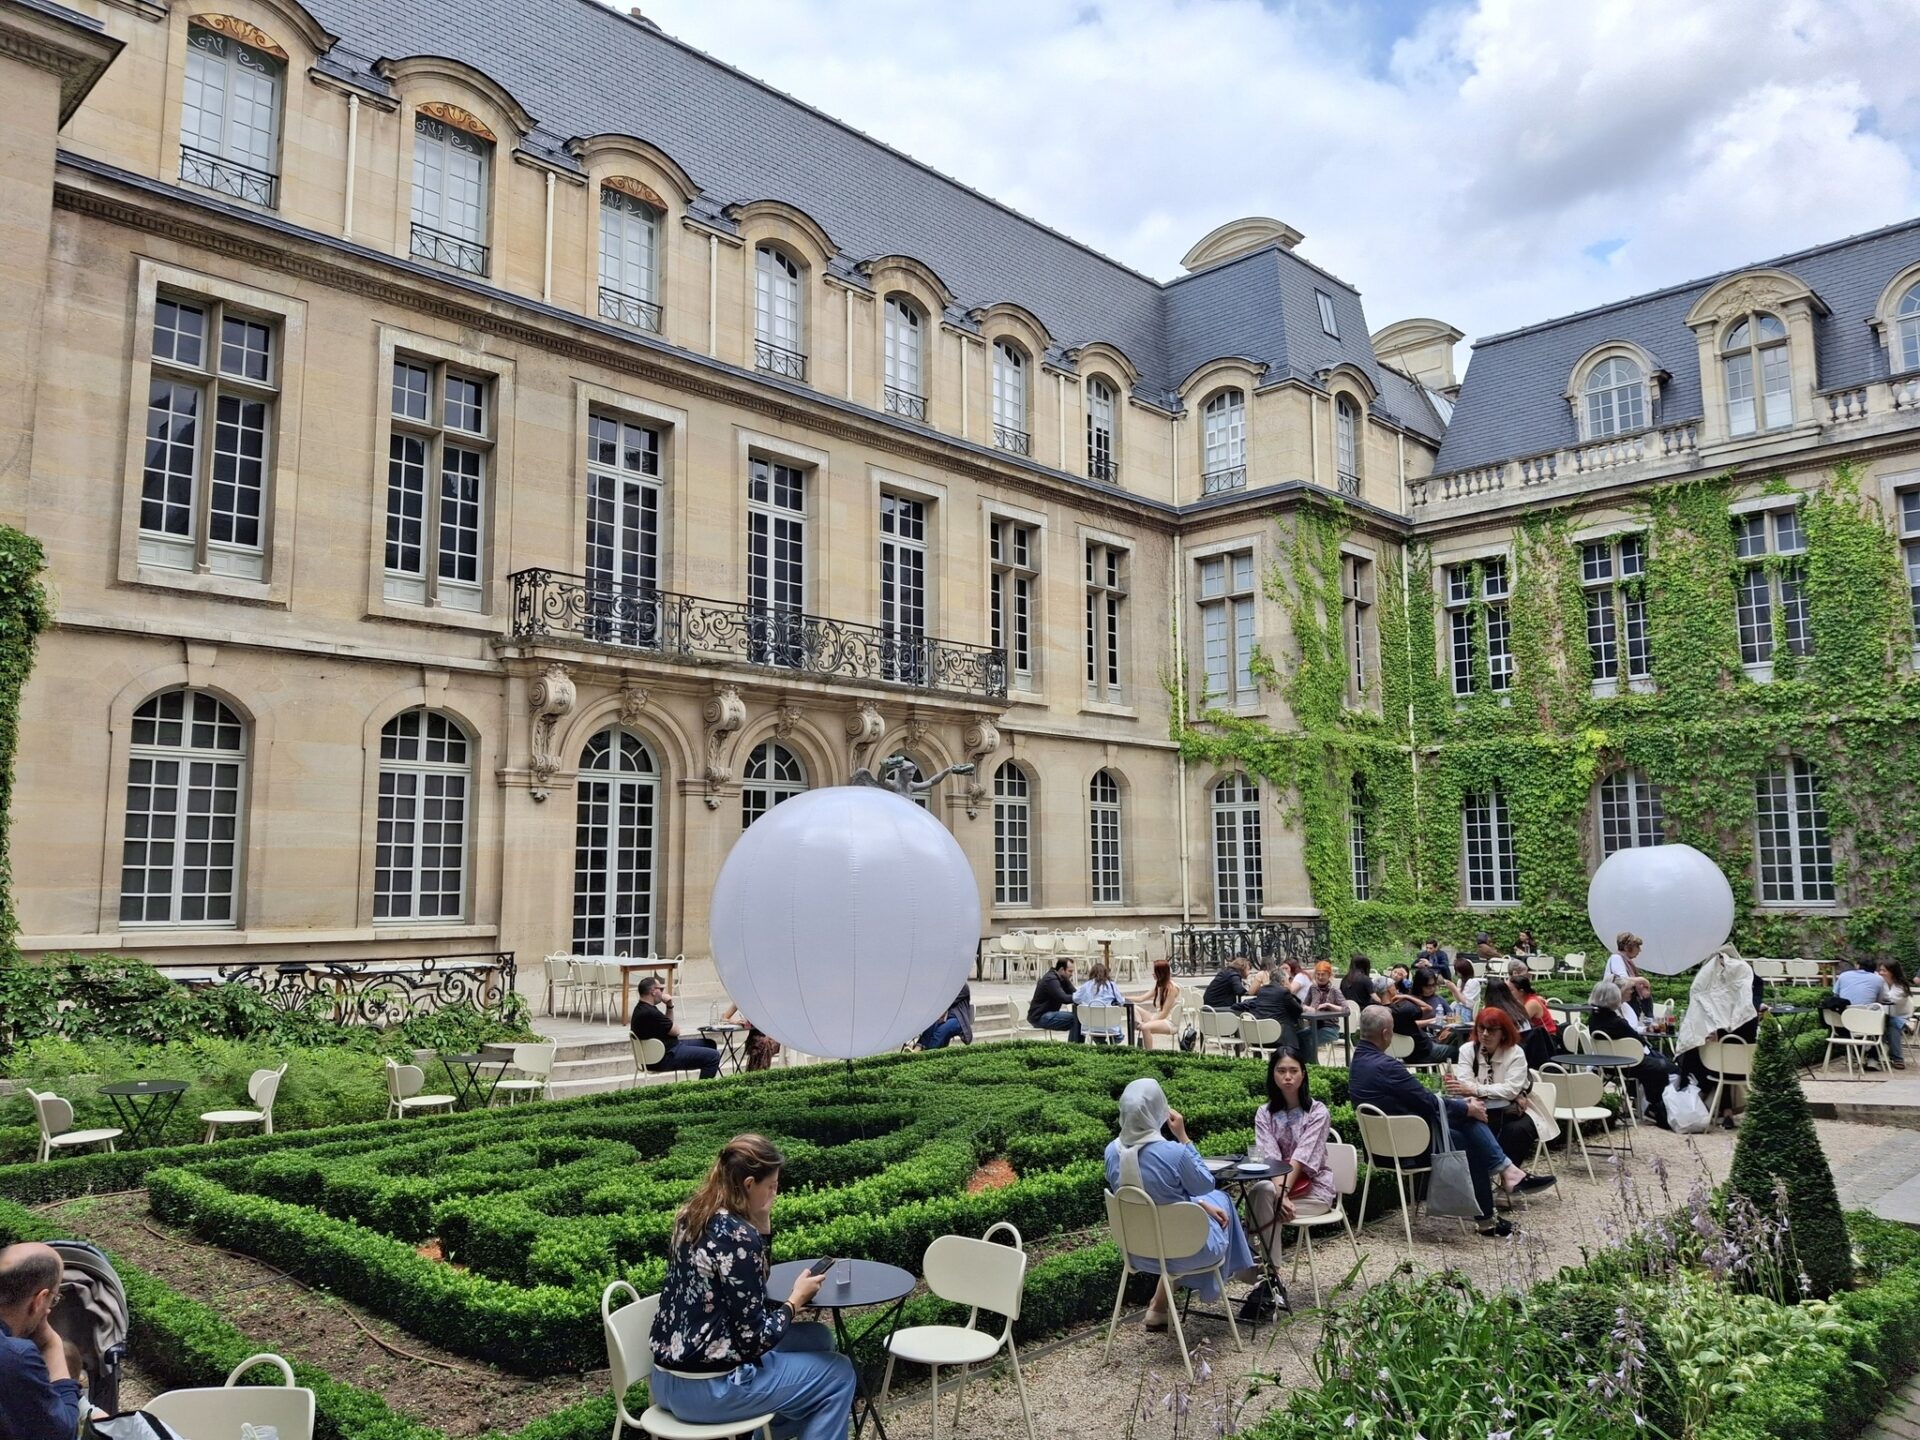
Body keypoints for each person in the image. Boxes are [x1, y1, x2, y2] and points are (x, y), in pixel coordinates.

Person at [648, 1136, 855, 1440]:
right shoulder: (738, 1235)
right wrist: (795, 1300)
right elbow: (754, 1340)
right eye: (771, 1185)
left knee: (819, 1339)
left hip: (665, 1380)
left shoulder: (690, 1214)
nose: (776, 1191)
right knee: (839, 1374)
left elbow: (753, 1283)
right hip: (709, 1390)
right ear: (748, 1184)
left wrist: (763, 1220)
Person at [1348, 1007, 1554, 1237]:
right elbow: (1426, 1101)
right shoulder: (1388, 1066)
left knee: (1465, 1120)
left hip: (1383, 1143)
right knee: (1469, 1139)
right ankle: (1493, 1206)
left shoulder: (1358, 1061)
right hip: (1407, 1146)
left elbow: (1422, 1100)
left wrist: (1463, 1105)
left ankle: (1505, 1175)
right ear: (1386, 1033)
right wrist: (1466, 1107)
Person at [1104, 1078, 1257, 1331]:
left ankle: (1159, 1305)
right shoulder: (1173, 1152)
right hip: (1185, 1251)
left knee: (1203, 1208)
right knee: (1222, 1200)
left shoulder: (1112, 1151)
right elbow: (1205, 1184)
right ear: (1158, 1110)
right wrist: (1183, 1136)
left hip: (1136, 1251)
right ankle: (1240, 1267)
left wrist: (1198, 1203)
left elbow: (1148, 1197)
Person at [1244, 1049, 1335, 1310]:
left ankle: (1266, 1280)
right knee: (1261, 1191)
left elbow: (1301, 1158)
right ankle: (1271, 1280)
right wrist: (1280, 1193)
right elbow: (1270, 1157)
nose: (1287, 1077)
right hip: (1277, 1189)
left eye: (1293, 1071)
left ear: (1303, 1074)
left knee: (1261, 1204)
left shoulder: (1317, 1112)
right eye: (1281, 1071)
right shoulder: (1264, 1113)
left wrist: (1281, 1195)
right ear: (1273, 1075)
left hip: (1312, 1191)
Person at [1446, 1008, 1560, 1174]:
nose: (1485, 1034)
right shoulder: (1467, 1050)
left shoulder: (1515, 1053)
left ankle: (1507, 1175)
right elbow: (1464, 1084)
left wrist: (1475, 1088)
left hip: (1515, 1109)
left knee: (1517, 1130)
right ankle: (1487, 1177)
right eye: (1481, 1028)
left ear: (1504, 1033)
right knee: (1463, 1128)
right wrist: (1479, 1090)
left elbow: (1511, 1090)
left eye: (1491, 1030)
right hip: (1479, 1108)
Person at [0, 1243, 81, 1440]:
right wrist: (52, 1343)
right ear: (39, 1300)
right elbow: (62, 1433)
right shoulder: (15, 1356)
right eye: (53, 1299)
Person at [1674, 947, 1760, 1125]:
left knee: (1705, 1054)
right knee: (1725, 1053)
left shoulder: (1713, 1000)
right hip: (1745, 1065)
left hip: (1716, 1067)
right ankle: (1727, 1110)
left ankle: (1701, 1099)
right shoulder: (1750, 1000)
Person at [1588, 979, 1673, 1126]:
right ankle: (1657, 1107)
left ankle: (1650, 1106)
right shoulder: (1618, 1022)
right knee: (1661, 1066)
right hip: (1626, 1064)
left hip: (1604, 1064)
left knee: (1654, 1065)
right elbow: (1639, 1041)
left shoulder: (1593, 1019)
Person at [630, 976, 722, 1079]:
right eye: (661, 989)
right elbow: (676, 1031)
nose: (662, 992)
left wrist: (669, 1006)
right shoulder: (650, 1013)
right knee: (713, 1057)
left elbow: (668, 1026)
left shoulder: (641, 1008)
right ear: (653, 991)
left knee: (709, 1044)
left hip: (664, 1051)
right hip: (663, 1058)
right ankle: (702, 1092)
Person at [1390, 968, 1459, 1064]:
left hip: (1438, 1037)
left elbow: (1454, 1018)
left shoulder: (1438, 999)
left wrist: (1446, 1029)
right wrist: (1433, 1020)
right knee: (1457, 1052)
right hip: (1421, 1044)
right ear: (1420, 985)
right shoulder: (1409, 1002)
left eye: (1434, 985)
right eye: (1428, 986)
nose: (1431, 989)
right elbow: (1409, 1025)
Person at [1243, 967, 1311, 1059]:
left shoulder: (1262, 991)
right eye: (1288, 980)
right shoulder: (1284, 992)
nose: (1289, 983)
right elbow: (1298, 1010)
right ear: (1283, 982)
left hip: (1261, 1036)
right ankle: (1305, 1064)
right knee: (1301, 1035)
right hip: (1280, 1038)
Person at [1127, 961, 1181, 1050]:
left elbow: (1164, 1013)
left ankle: (1149, 1053)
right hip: (1157, 1016)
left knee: (1145, 1027)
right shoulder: (1159, 985)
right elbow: (1142, 998)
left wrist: (1148, 1023)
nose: (1152, 974)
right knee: (1133, 1007)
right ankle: (1139, 1023)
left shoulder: (1172, 988)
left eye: (1155, 971)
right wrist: (1123, 998)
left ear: (1161, 973)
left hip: (1169, 1021)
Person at [1073, 962, 1127, 1043]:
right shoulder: (1111, 985)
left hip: (1090, 1025)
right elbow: (1121, 1001)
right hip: (1109, 1025)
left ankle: (1100, 1043)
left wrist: (1085, 1001)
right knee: (1117, 1036)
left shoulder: (1086, 985)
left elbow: (1075, 998)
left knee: (1096, 1031)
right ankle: (1109, 1046)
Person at [1028, 956, 1079, 1039]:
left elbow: (1075, 993)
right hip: (1039, 1017)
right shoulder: (1050, 979)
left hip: (1048, 1015)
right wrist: (1080, 997)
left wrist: (1083, 997)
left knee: (1080, 1018)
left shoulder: (1063, 978)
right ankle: (1076, 1047)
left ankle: (1075, 1045)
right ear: (1062, 970)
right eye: (1070, 971)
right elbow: (1063, 998)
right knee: (1076, 1019)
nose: (1072, 974)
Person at [720, 1001, 780, 1071]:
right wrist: (734, 1021)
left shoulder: (766, 999)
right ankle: (757, 1073)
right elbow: (723, 1018)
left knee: (765, 1043)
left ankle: (757, 1073)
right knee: (762, 1043)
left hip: (771, 1035)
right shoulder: (741, 1000)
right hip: (756, 1036)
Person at [1300, 962, 1345, 1052]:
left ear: (1329, 975)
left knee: (1309, 1041)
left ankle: (1313, 1064)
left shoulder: (1334, 990)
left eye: (1323, 975)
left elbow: (1346, 1009)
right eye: (1318, 974)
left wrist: (1329, 1005)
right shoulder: (1313, 988)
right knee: (1297, 1037)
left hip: (1330, 1028)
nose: (1320, 977)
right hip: (1314, 1027)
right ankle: (1305, 1064)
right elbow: (1304, 1004)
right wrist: (1307, 1008)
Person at [917, 983, 974, 1051]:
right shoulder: (946, 985)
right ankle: (919, 1047)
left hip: (959, 1019)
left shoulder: (963, 987)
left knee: (941, 1031)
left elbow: (946, 1002)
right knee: (931, 1023)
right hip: (945, 1017)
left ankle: (928, 1053)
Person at [1507, 962, 1557, 1038]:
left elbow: (1519, 1023)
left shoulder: (1532, 1003)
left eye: (1511, 990)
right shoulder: (1522, 999)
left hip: (1547, 1039)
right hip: (1536, 1036)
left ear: (1521, 991)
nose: (1508, 993)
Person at [1880, 962, 1911, 1071]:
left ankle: (1897, 1058)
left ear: (1892, 972)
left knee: (1892, 1023)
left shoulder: (1901, 986)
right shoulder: (1881, 983)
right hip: (1883, 1015)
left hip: (1900, 1016)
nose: (1881, 973)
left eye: (1884, 971)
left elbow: (1890, 999)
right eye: (1880, 970)